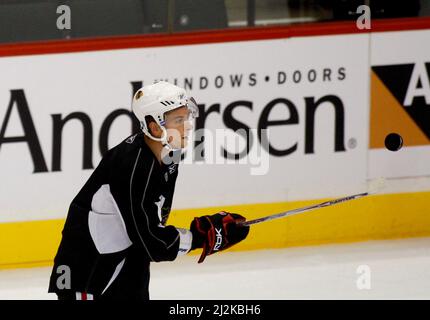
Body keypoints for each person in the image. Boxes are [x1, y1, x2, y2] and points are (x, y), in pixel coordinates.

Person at [48, 81, 250, 300]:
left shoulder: (168, 154)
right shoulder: (132, 166)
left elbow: (151, 227)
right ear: (155, 127)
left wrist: (202, 233)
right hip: (88, 271)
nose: (189, 126)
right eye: (179, 120)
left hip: (129, 259)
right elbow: (152, 242)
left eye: (187, 118)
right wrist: (200, 236)